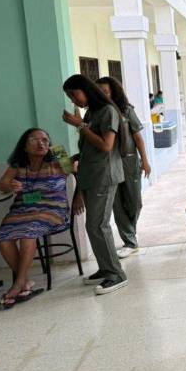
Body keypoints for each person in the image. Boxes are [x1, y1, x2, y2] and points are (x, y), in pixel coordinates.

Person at [62, 74, 127, 295]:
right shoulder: (92, 112)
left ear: (87, 90)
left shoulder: (108, 111)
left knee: (98, 225)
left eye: (74, 94)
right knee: (94, 226)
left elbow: (106, 145)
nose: (73, 101)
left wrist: (79, 125)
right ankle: (105, 268)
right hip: (91, 174)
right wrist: (76, 157)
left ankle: (116, 274)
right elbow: (91, 145)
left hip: (104, 176)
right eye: (70, 97)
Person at [0, 128, 67, 307]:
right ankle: (25, 282)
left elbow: (79, 172)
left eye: (45, 140)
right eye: (34, 140)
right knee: (2, 237)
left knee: (28, 234)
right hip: (23, 209)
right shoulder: (18, 164)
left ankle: (18, 283)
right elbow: (1, 184)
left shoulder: (58, 155)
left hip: (52, 208)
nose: (41, 143)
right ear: (25, 146)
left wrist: (80, 197)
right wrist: (10, 185)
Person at [97, 76, 151, 259]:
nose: (102, 95)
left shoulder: (126, 110)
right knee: (117, 203)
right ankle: (130, 241)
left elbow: (137, 137)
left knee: (135, 202)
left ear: (114, 92)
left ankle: (130, 233)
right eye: (99, 92)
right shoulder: (96, 112)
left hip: (129, 161)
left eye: (105, 91)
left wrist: (145, 160)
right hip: (109, 164)